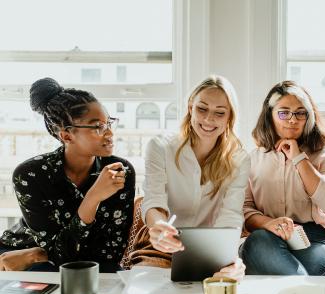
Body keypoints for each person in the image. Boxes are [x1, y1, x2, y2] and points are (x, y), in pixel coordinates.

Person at [0, 78, 135, 272]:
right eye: (98, 127)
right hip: (21, 257)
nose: (110, 134)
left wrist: (45, 253)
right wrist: (93, 198)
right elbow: (58, 257)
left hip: (65, 261)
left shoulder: (120, 171)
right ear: (66, 136)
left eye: (109, 123)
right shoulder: (30, 174)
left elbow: (112, 253)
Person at [140, 75, 250, 281]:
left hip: (209, 250)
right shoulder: (160, 147)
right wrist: (158, 227)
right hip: (162, 244)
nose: (209, 119)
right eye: (202, 109)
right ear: (190, 107)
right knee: (149, 288)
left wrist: (227, 257)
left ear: (229, 118)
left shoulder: (239, 159)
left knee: (223, 283)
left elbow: (231, 215)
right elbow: (154, 202)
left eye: (219, 113)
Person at [240, 80, 325, 275]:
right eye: (284, 112)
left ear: (308, 117)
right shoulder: (251, 159)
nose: (292, 119)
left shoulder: (323, 155)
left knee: (310, 269)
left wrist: (299, 159)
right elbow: (245, 210)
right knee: (258, 243)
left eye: (300, 113)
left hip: (315, 238)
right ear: (270, 116)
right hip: (267, 235)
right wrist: (268, 223)